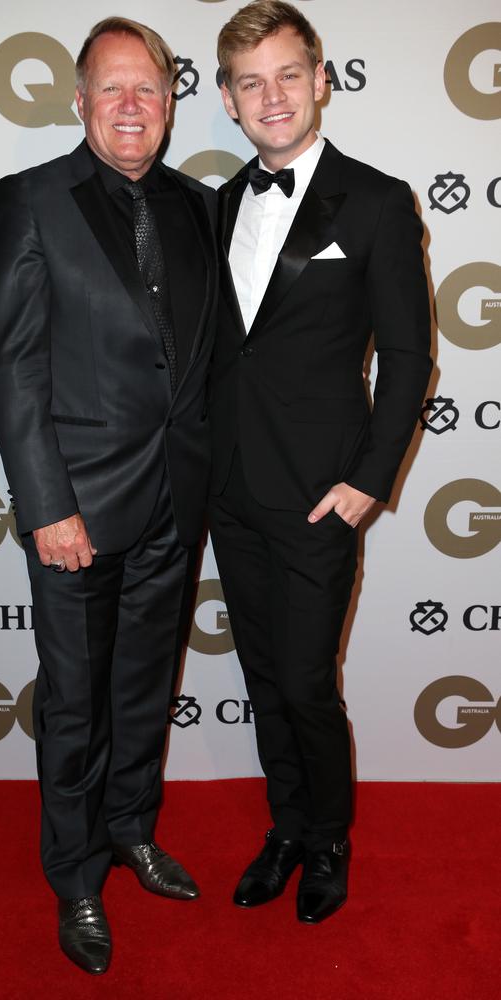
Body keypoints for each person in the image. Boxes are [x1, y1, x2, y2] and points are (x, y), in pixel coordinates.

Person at [0, 17, 217, 975]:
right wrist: (45, 506)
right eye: (110, 89)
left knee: (144, 687)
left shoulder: (199, 205)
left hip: (174, 501)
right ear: (79, 102)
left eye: (148, 90)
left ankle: (132, 830)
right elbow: (13, 368)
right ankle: (75, 876)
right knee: (75, 701)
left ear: (169, 102)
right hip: (74, 508)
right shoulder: (31, 202)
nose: (130, 106)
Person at [209, 0, 431, 924]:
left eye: (288, 75)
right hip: (230, 491)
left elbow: (411, 357)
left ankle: (330, 837)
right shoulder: (214, 205)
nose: (272, 96)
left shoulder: (377, 200)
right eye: (250, 81)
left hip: (319, 498)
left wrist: (368, 484)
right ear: (225, 99)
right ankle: (287, 827)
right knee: (263, 677)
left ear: (322, 81)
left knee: (305, 680)